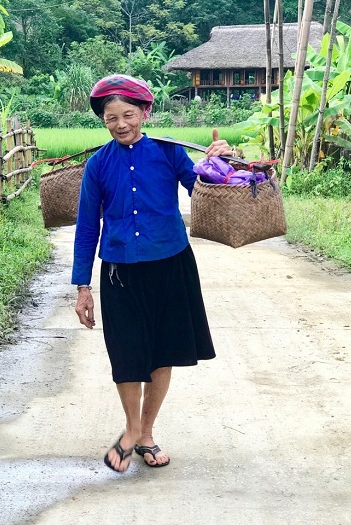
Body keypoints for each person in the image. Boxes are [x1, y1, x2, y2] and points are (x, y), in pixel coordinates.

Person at [72, 74, 233, 473]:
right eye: (111, 118)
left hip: (170, 263)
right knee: (126, 354)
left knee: (162, 351)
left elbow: (205, 189)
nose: (121, 123)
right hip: (119, 272)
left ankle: (145, 434)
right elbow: (87, 226)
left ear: (145, 112)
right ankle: (130, 429)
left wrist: (218, 162)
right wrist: (82, 287)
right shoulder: (97, 165)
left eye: (129, 114)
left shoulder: (167, 152)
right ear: (103, 121)